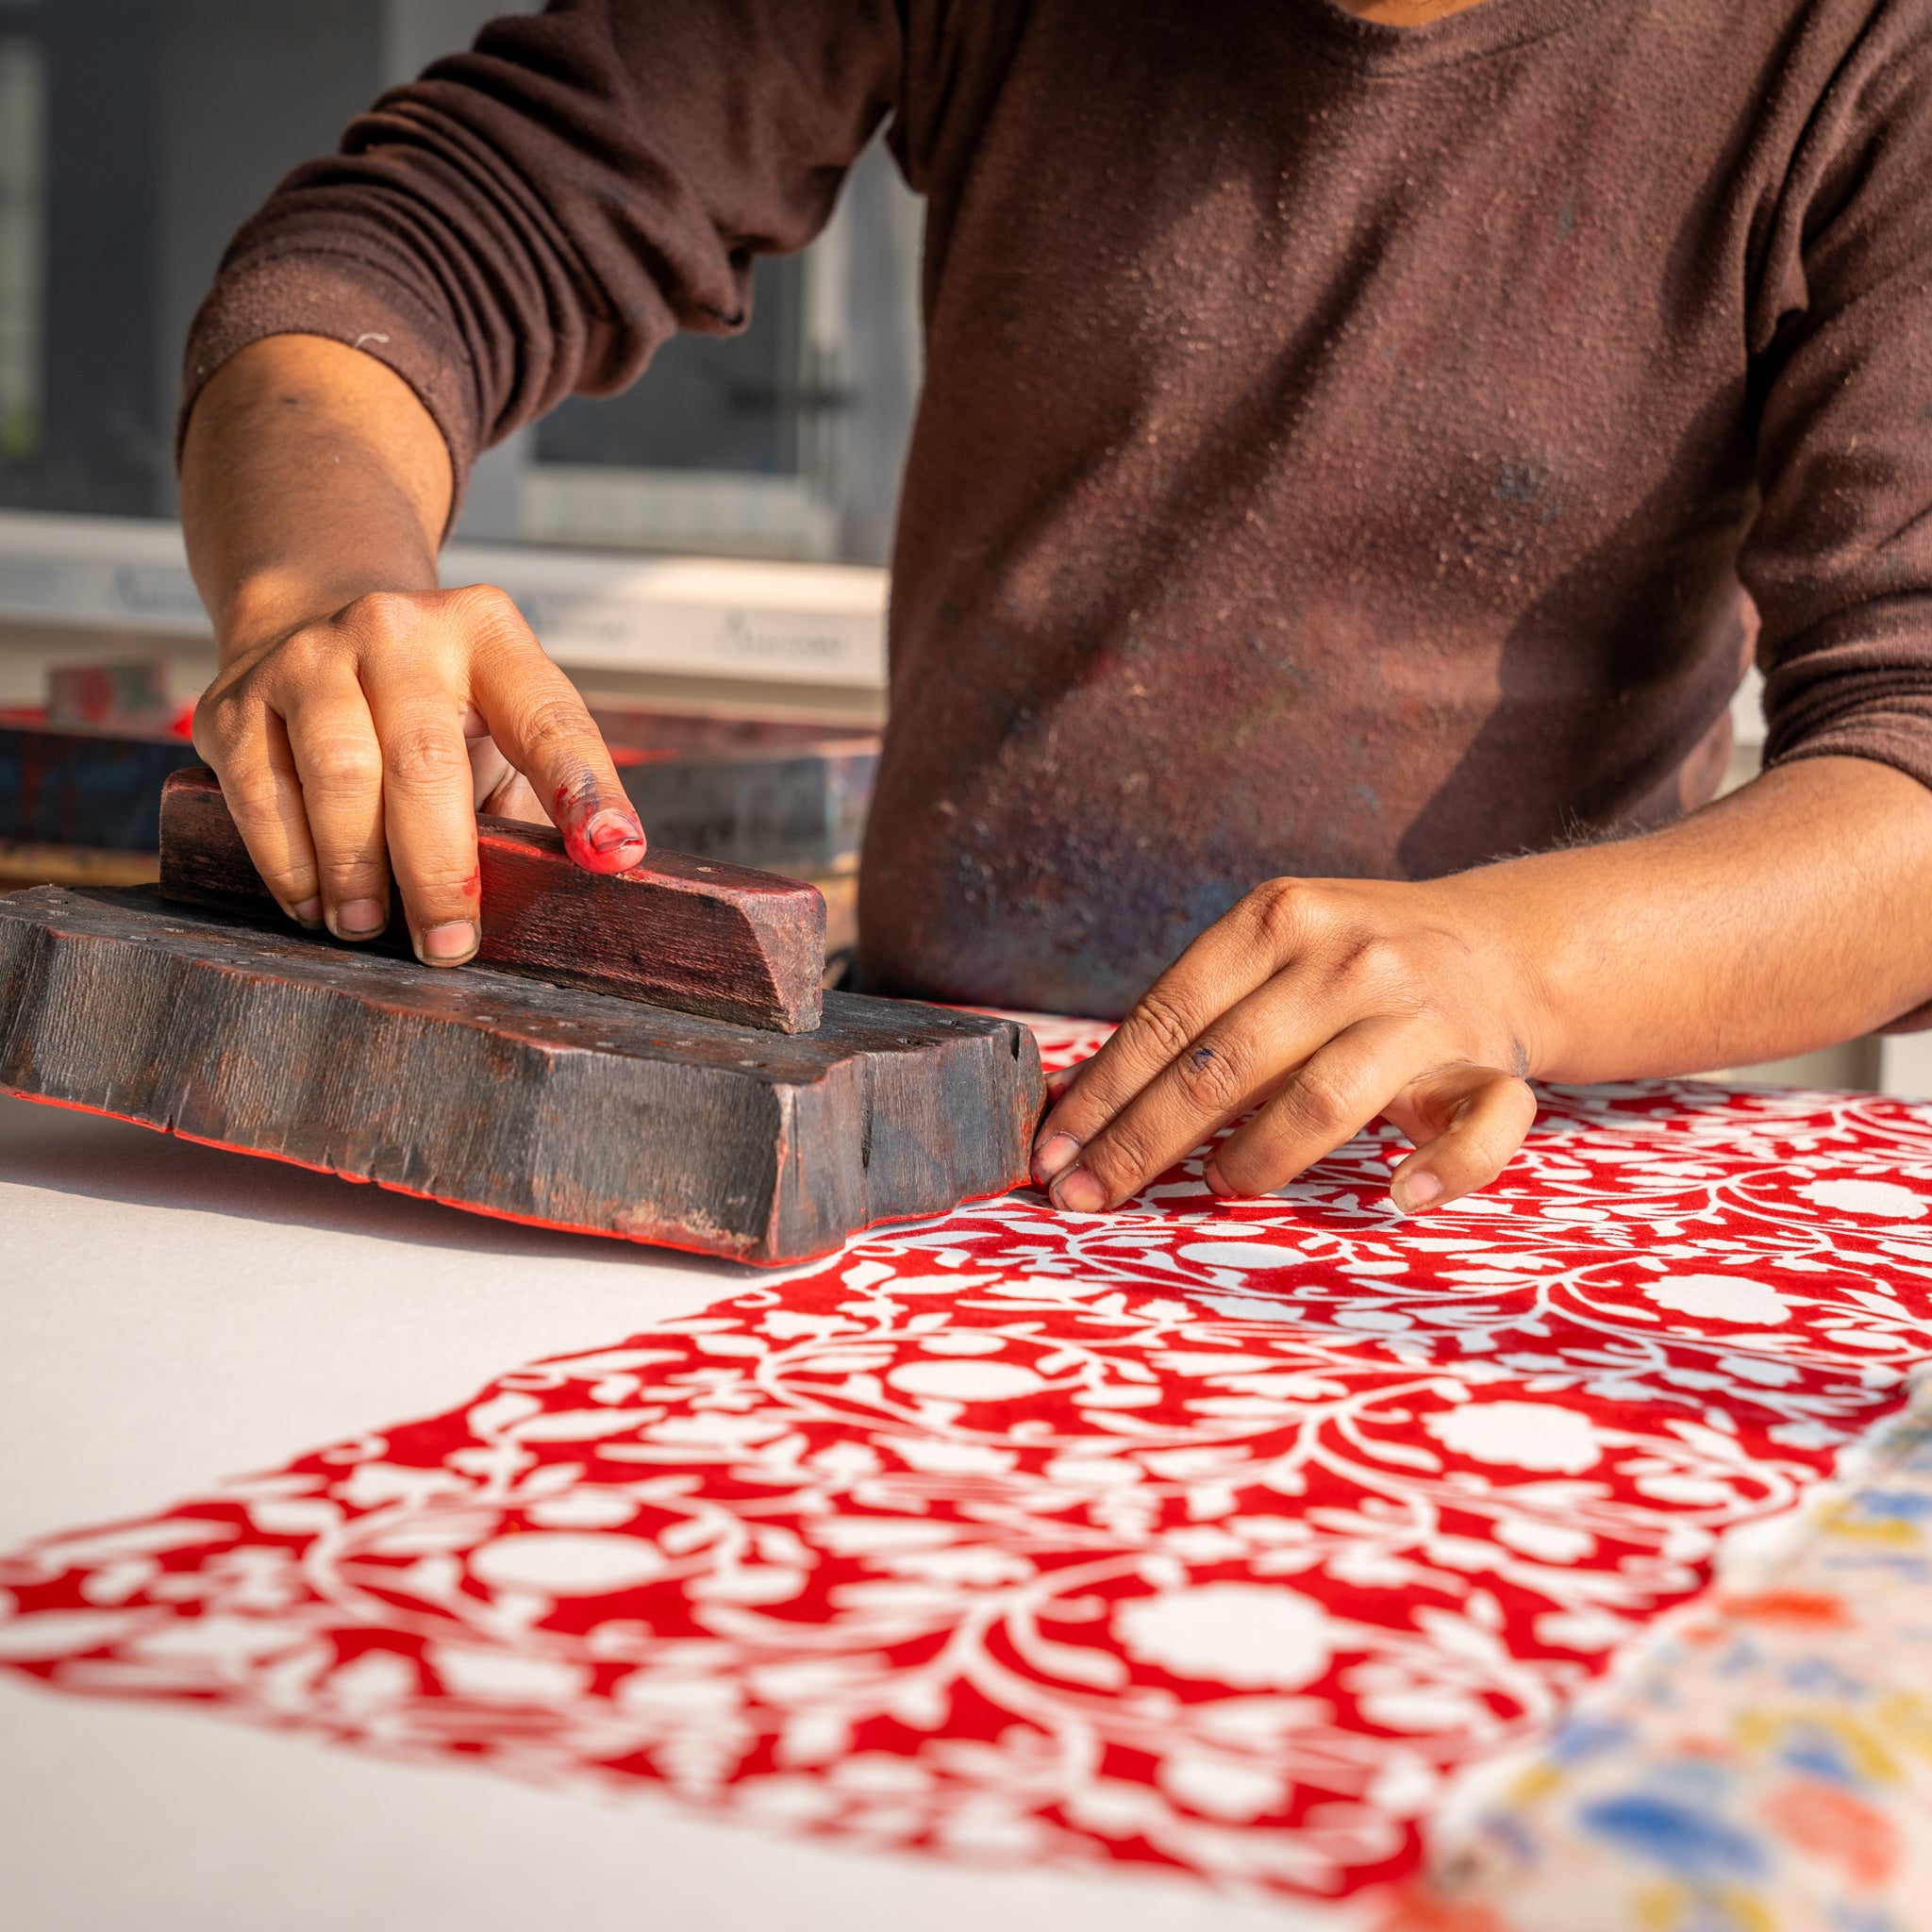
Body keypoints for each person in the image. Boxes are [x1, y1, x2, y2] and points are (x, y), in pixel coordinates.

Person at [176, 0, 1932, 1224]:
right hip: (940, 1135)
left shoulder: (1861, 52)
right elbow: (413, 242)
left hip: (1468, 1198)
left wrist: (1518, 961)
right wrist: (320, 582)